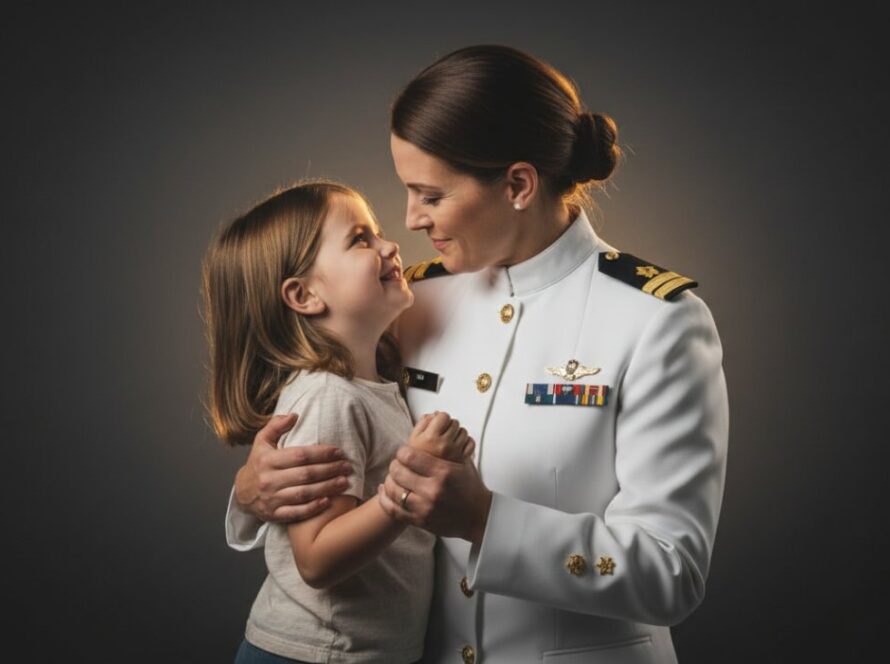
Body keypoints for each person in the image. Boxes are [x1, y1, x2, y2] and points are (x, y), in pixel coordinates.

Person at [225, 45, 729, 664]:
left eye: (430, 195)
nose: (408, 219)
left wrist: (486, 519)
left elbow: (672, 573)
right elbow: (331, 412)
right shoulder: (410, 301)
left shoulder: (656, 321)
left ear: (518, 184)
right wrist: (257, 490)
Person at [202, 180, 474, 663]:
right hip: (314, 655)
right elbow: (317, 558)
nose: (391, 246)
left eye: (376, 233)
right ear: (304, 295)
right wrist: (408, 487)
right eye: (360, 239)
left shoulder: (364, 386)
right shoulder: (330, 396)